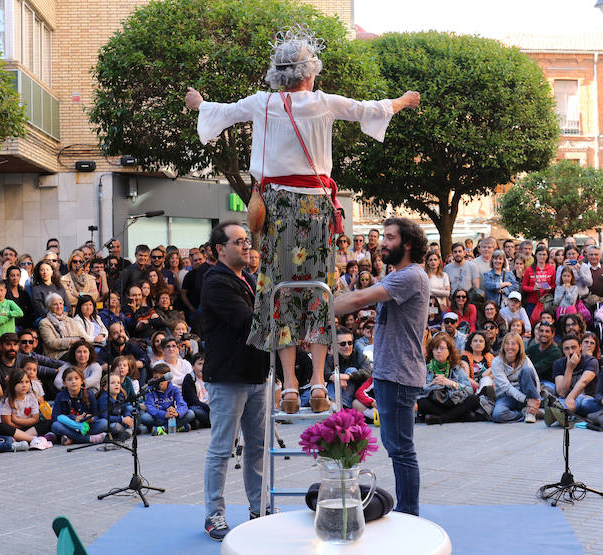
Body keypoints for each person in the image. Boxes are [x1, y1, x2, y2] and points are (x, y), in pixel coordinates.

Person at [189, 28, 420, 420]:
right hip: (315, 207)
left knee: (279, 290)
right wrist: (401, 102)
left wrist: (199, 103)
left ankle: (289, 386)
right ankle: (316, 381)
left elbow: (220, 112)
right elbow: (366, 109)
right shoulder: (323, 102)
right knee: (318, 291)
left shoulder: (262, 103)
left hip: (275, 206)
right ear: (309, 73)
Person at [335, 217, 429, 516]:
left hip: (400, 374)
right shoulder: (399, 275)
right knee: (397, 447)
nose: (383, 243)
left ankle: (410, 515)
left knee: (401, 450)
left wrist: (319, 304)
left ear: (407, 243)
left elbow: (361, 297)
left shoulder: (410, 275)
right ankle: (408, 512)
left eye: (389, 237)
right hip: (392, 372)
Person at [199, 222, 270, 539]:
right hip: (228, 378)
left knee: (257, 447)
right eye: (238, 241)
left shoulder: (251, 279)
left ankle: (259, 508)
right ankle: (214, 514)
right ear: (219, 249)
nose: (246, 245)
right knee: (222, 450)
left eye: (247, 240)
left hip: (256, 374)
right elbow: (249, 322)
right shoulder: (215, 282)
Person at [416, 332, 482, 425]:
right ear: (432, 351)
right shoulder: (426, 368)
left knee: (474, 399)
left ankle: (441, 419)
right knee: (421, 402)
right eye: (436, 348)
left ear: (449, 351)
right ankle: (459, 417)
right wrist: (431, 384)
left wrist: (451, 383)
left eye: (442, 348)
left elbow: (469, 390)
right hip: (436, 403)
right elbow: (418, 391)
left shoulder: (456, 368)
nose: (439, 351)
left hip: (454, 402)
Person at [490, 332, 540, 423]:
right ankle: (524, 414)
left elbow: (535, 379)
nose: (510, 347)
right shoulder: (496, 362)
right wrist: (526, 400)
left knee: (527, 370)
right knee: (497, 415)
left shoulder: (525, 360)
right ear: (503, 345)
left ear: (519, 346)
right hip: (506, 396)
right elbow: (506, 386)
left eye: (513, 344)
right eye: (507, 343)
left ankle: (531, 412)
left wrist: (536, 400)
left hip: (524, 392)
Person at [50, 367, 107, 445]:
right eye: (69, 379)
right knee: (55, 426)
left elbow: (96, 415)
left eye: (76, 378)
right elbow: (55, 418)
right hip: (70, 426)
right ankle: (90, 438)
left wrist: (90, 419)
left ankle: (72, 439)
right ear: (64, 383)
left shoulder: (89, 394)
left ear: (82, 381)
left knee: (104, 423)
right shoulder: (60, 396)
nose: (73, 382)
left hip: (86, 427)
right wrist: (74, 418)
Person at [551, 334, 599, 416]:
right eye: (567, 348)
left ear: (580, 347)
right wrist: (569, 369)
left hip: (587, 399)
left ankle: (563, 414)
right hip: (567, 400)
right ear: (562, 350)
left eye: (574, 347)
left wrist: (571, 398)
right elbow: (562, 392)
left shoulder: (591, 361)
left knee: (582, 401)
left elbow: (583, 382)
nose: (571, 352)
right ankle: (564, 413)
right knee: (560, 401)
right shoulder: (558, 363)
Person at [142, 363, 194, 434]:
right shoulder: (150, 390)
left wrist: (177, 413)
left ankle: (164, 429)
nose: (159, 380)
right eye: (156, 377)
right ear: (153, 379)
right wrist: (164, 414)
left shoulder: (174, 389)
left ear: (168, 379)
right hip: (160, 416)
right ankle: (179, 427)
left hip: (172, 416)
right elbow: (150, 408)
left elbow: (183, 405)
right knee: (145, 417)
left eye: (162, 377)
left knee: (190, 413)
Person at [39, 293, 91, 360]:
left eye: (60, 303)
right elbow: (51, 343)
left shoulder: (70, 320)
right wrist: (70, 341)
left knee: (91, 355)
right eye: (55, 304)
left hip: (76, 351)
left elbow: (82, 336)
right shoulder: (44, 323)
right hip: (57, 355)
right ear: (49, 307)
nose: (59, 306)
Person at [97, 372, 133, 442]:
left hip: (121, 421)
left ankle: (126, 432)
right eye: (113, 383)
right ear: (105, 387)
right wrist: (122, 419)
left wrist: (128, 417)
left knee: (133, 416)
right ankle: (127, 432)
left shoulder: (120, 396)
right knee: (115, 427)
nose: (116, 384)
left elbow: (125, 409)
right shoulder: (104, 398)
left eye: (118, 383)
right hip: (112, 422)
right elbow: (105, 416)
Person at [521, 245, 555, 317]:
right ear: (535, 255)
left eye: (544, 254)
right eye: (539, 254)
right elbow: (523, 286)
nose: (542, 257)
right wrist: (533, 288)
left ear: (547, 256)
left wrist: (549, 288)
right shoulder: (529, 270)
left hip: (546, 302)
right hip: (532, 303)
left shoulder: (551, 269)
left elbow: (555, 285)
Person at [181, 354, 210, 430]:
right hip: (199, 407)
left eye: (205, 364)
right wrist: (209, 407)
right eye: (200, 364)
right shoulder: (189, 378)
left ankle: (202, 423)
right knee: (195, 411)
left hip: (211, 407)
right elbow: (193, 401)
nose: (203, 367)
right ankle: (210, 422)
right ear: (193, 366)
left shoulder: (210, 378)